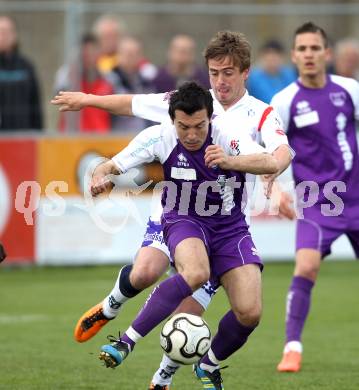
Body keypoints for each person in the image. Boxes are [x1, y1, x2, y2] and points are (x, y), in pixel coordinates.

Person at [51, 30, 293, 389]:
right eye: (214, 72)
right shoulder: (187, 103)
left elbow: (280, 154)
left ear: (245, 72)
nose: (220, 81)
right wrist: (88, 99)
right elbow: (134, 103)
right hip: (177, 209)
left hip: (224, 219)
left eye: (228, 73)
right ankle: (111, 307)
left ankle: (165, 377)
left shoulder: (259, 115)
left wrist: (268, 174)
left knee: (195, 312)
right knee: (147, 271)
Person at [90, 81, 279, 389]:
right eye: (184, 127)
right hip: (184, 219)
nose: (191, 135)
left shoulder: (228, 137)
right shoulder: (159, 136)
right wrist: (100, 177)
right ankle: (126, 341)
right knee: (195, 272)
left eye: (199, 126)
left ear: (210, 118)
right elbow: (111, 165)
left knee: (250, 313)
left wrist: (230, 161)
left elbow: (269, 161)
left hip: (231, 230)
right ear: (172, 120)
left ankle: (208, 365)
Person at [270, 22, 359, 373]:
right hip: (318, 203)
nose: (308, 54)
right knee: (306, 267)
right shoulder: (285, 100)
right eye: (302, 49)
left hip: (356, 196)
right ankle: (292, 348)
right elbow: (271, 150)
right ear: (294, 56)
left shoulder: (349, 90)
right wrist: (274, 188)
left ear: (327, 53)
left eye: (314, 48)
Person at [54, 33, 113, 133]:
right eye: (86, 52)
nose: (90, 56)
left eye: (93, 51)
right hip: (72, 136)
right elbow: (57, 94)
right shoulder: (69, 75)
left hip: (102, 137)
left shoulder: (108, 78)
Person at [0, 15, 42, 131]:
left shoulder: (26, 66)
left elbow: (35, 104)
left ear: (14, 36)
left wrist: (38, 133)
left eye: (6, 32)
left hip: (22, 135)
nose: (2, 36)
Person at [106, 36, 155, 133]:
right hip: (115, 136)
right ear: (118, 55)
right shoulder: (109, 81)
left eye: (134, 54)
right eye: (127, 54)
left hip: (142, 136)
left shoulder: (147, 80)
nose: (130, 58)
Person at [247, 39, 297, 103]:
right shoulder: (252, 77)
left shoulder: (290, 75)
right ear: (262, 56)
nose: (272, 58)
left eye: (276, 54)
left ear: (282, 57)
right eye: (269, 54)